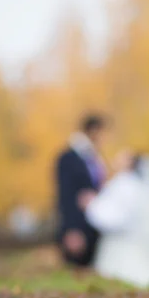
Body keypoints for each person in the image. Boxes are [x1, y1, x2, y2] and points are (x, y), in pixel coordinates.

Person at [78, 152, 149, 287]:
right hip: (128, 243)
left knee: (122, 279)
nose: (117, 158)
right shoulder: (137, 185)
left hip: (120, 245)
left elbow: (118, 217)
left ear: (130, 163)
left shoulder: (125, 184)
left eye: (124, 156)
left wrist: (91, 206)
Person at [55, 113, 107, 270]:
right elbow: (65, 196)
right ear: (93, 131)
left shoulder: (94, 158)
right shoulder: (68, 158)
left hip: (94, 227)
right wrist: (72, 229)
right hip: (78, 229)